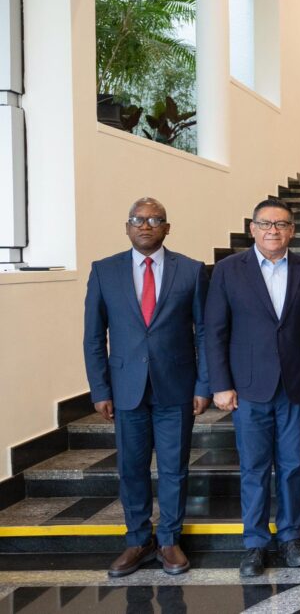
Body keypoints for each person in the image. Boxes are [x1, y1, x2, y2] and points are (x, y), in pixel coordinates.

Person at [83, 197, 209, 577]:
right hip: (126, 389)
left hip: (177, 387)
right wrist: (100, 390)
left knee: (174, 468)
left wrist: (203, 384)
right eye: (137, 219)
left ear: (167, 228)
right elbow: (94, 337)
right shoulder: (104, 271)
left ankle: (169, 540)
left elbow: (204, 334)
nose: (145, 225)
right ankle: (138, 540)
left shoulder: (192, 271)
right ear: (127, 227)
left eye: (155, 220)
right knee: (131, 468)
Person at [205, 198, 300, 577]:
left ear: (292, 231)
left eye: (282, 224)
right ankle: (255, 543)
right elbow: (215, 331)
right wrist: (220, 384)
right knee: (254, 468)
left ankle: (290, 537)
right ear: (253, 229)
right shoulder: (228, 270)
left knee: (291, 466)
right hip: (248, 388)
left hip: (295, 386)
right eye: (266, 224)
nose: (274, 230)